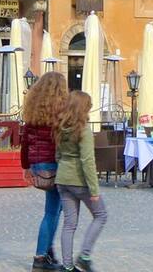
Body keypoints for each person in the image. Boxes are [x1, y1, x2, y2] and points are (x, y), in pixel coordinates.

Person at [54, 90, 109, 271]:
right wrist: (94, 189)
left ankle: (67, 266)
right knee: (101, 215)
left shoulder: (60, 127)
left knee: (69, 224)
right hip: (79, 181)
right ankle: (84, 256)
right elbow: (87, 161)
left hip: (62, 179)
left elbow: (58, 155)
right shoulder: (83, 130)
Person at [21, 72, 67, 270]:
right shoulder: (61, 111)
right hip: (55, 164)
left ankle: (48, 251)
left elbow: (25, 141)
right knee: (51, 212)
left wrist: (26, 167)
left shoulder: (33, 110)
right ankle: (40, 257)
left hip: (38, 165)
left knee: (56, 209)